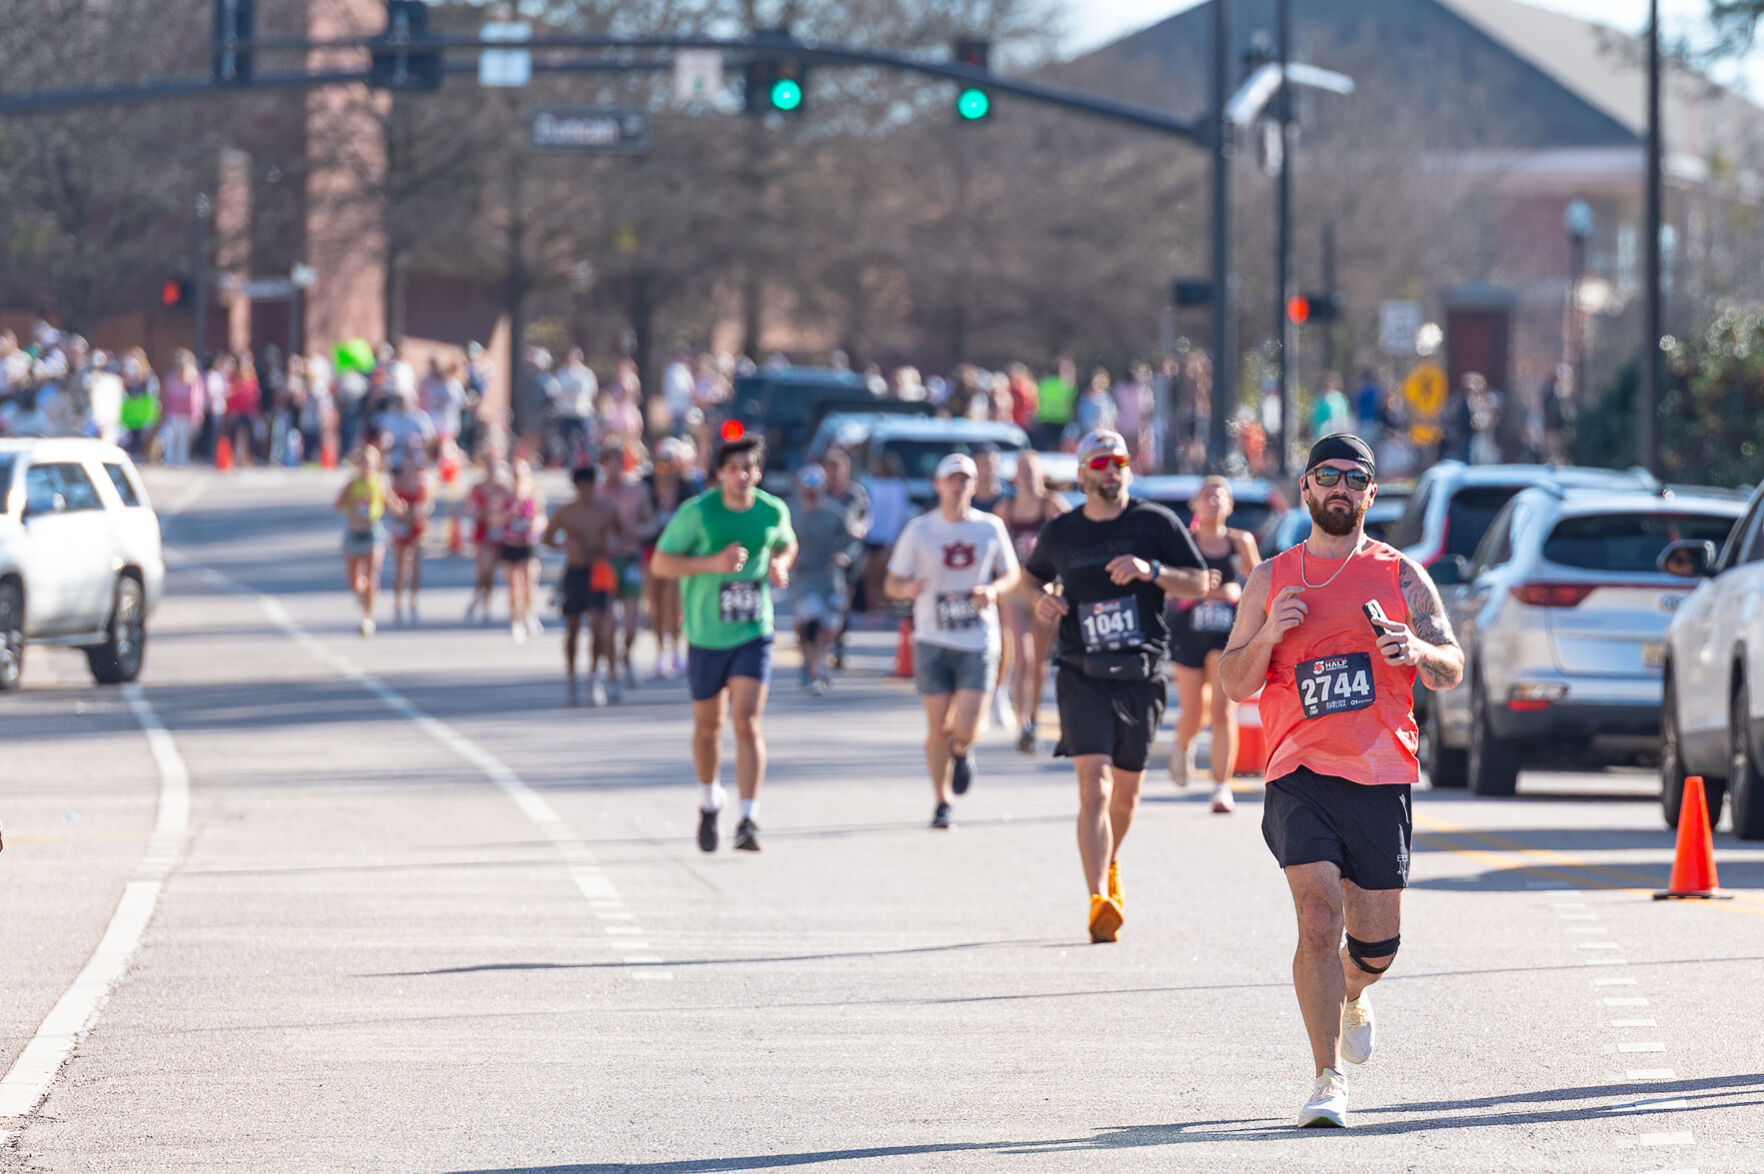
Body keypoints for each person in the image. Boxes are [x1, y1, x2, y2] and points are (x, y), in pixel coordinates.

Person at [1218, 433, 1463, 1129]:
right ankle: (1326, 1080)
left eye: (1354, 480)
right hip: (1298, 770)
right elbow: (1234, 683)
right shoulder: (1271, 578)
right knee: (1318, 915)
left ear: (1371, 495)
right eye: (1327, 477)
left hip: (1380, 773)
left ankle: (1356, 990)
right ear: (1305, 489)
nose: (1340, 490)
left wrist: (1413, 648)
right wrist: (1267, 637)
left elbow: (1452, 665)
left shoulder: (1402, 577)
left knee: (1377, 943)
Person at [1019, 430, 1214, 943]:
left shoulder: (1154, 523)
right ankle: (1097, 902)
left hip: (1140, 675)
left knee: (1125, 798)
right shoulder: (1061, 532)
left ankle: (1109, 865)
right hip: (1081, 673)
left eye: (1119, 461)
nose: (1111, 470)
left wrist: (1152, 571)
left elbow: (1199, 581)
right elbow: (1028, 578)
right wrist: (1043, 601)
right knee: (1095, 786)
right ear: (1082, 474)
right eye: (1100, 462)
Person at [651, 436, 797, 854]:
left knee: (747, 721)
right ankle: (710, 798)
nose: (742, 476)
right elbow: (662, 563)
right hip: (704, 633)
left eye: (749, 468)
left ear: (759, 472)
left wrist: (780, 565)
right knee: (708, 726)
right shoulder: (698, 513)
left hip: (753, 630)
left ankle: (748, 817)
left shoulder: (772, 510)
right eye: (734, 469)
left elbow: (787, 542)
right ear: (720, 473)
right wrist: (712, 564)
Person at [886, 454, 1020, 829]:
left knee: (966, 724)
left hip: (978, 638)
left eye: (965, 480)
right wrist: (907, 588)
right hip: (931, 636)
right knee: (936, 726)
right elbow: (891, 581)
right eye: (952, 479)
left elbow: (1011, 575)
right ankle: (941, 801)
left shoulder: (990, 527)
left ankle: (962, 751)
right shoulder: (920, 529)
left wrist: (992, 591)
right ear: (938, 485)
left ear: (974, 487)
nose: (958, 486)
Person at [1168, 476, 1262, 812]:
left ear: (1229, 506)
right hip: (1189, 633)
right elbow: (1168, 586)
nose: (1212, 498)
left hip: (1229, 637)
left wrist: (1239, 593)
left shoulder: (1241, 543)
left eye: (1219, 493)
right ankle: (1183, 745)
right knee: (1194, 714)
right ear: (1194, 504)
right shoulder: (1185, 540)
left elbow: (1261, 584)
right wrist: (1198, 589)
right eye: (1205, 493)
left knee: (1224, 711)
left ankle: (1221, 786)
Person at [996, 450, 1070, 753]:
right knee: (1022, 655)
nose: (1026, 476)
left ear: (1042, 474)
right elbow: (996, 549)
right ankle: (1021, 719)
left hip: (1046, 587)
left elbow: (1073, 537)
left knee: (1039, 660)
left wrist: (1062, 580)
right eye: (1021, 470)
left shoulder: (1051, 505)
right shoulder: (1007, 508)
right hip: (1017, 586)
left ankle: (1034, 716)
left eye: (1032, 470)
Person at [543, 464, 626, 706]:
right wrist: (565, 547)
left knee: (600, 625)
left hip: (599, 569)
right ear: (576, 487)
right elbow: (547, 538)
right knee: (572, 626)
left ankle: (594, 675)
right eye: (582, 487)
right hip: (575, 571)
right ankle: (571, 677)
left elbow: (621, 533)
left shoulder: (608, 510)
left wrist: (611, 545)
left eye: (591, 486)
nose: (587, 491)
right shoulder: (565, 512)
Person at [789, 464, 863, 693]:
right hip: (805, 579)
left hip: (830, 579)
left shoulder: (835, 512)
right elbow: (779, 542)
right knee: (810, 622)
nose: (811, 491)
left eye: (815, 486)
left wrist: (844, 556)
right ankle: (813, 669)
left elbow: (852, 542)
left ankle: (819, 662)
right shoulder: (792, 513)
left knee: (829, 628)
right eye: (807, 486)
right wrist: (789, 557)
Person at [641, 437, 699, 679]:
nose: (665, 467)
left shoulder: (688, 488)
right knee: (655, 603)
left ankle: (676, 650)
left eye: (671, 462)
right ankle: (660, 651)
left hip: (678, 553)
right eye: (662, 462)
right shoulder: (645, 486)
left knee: (674, 602)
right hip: (652, 550)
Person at [601, 444, 655, 694]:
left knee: (632, 623)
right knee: (609, 623)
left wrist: (638, 532)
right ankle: (612, 673)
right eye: (608, 462)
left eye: (616, 461)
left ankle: (626, 656)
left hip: (631, 559)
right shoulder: (598, 495)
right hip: (606, 561)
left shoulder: (637, 491)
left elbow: (650, 523)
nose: (613, 467)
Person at [334, 446, 391, 637]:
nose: (368, 468)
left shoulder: (380, 484)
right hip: (354, 533)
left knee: (373, 575)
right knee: (356, 583)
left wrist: (402, 509)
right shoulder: (352, 484)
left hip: (373, 533)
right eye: (364, 464)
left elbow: (393, 503)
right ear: (358, 465)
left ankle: (367, 618)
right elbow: (337, 505)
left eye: (372, 464)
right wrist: (353, 504)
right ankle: (363, 593)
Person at [386, 438, 435, 625]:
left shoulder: (423, 482)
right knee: (400, 568)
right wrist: (399, 509)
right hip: (400, 527)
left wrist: (420, 510)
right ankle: (397, 602)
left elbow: (428, 504)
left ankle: (413, 601)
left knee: (415, 566)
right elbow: (391, 504)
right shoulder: (397, 483)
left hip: (417, 527)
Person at [500, 459, 546, 643]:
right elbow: (495, 519)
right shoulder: (506, 496)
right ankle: (515, 620)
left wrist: (536, 525)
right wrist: (508, 515)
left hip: (528, 542)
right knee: (513, 585)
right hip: (511, 543)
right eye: (515, 475)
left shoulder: (534, 496)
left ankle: (529, 614)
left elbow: (542, 518)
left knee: (530, 582)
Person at [461, 457, 511, 624]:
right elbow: (466, 505)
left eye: (495, 467)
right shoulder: (477, 487)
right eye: (489, 467)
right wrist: (478, 513)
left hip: (498, 532)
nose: (492, 470)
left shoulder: (503, 488)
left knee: (491, 572)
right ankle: (476, 601)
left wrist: (501, 518)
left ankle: (485, 606)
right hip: (482, 531)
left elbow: (511, 507)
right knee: (482, 570)